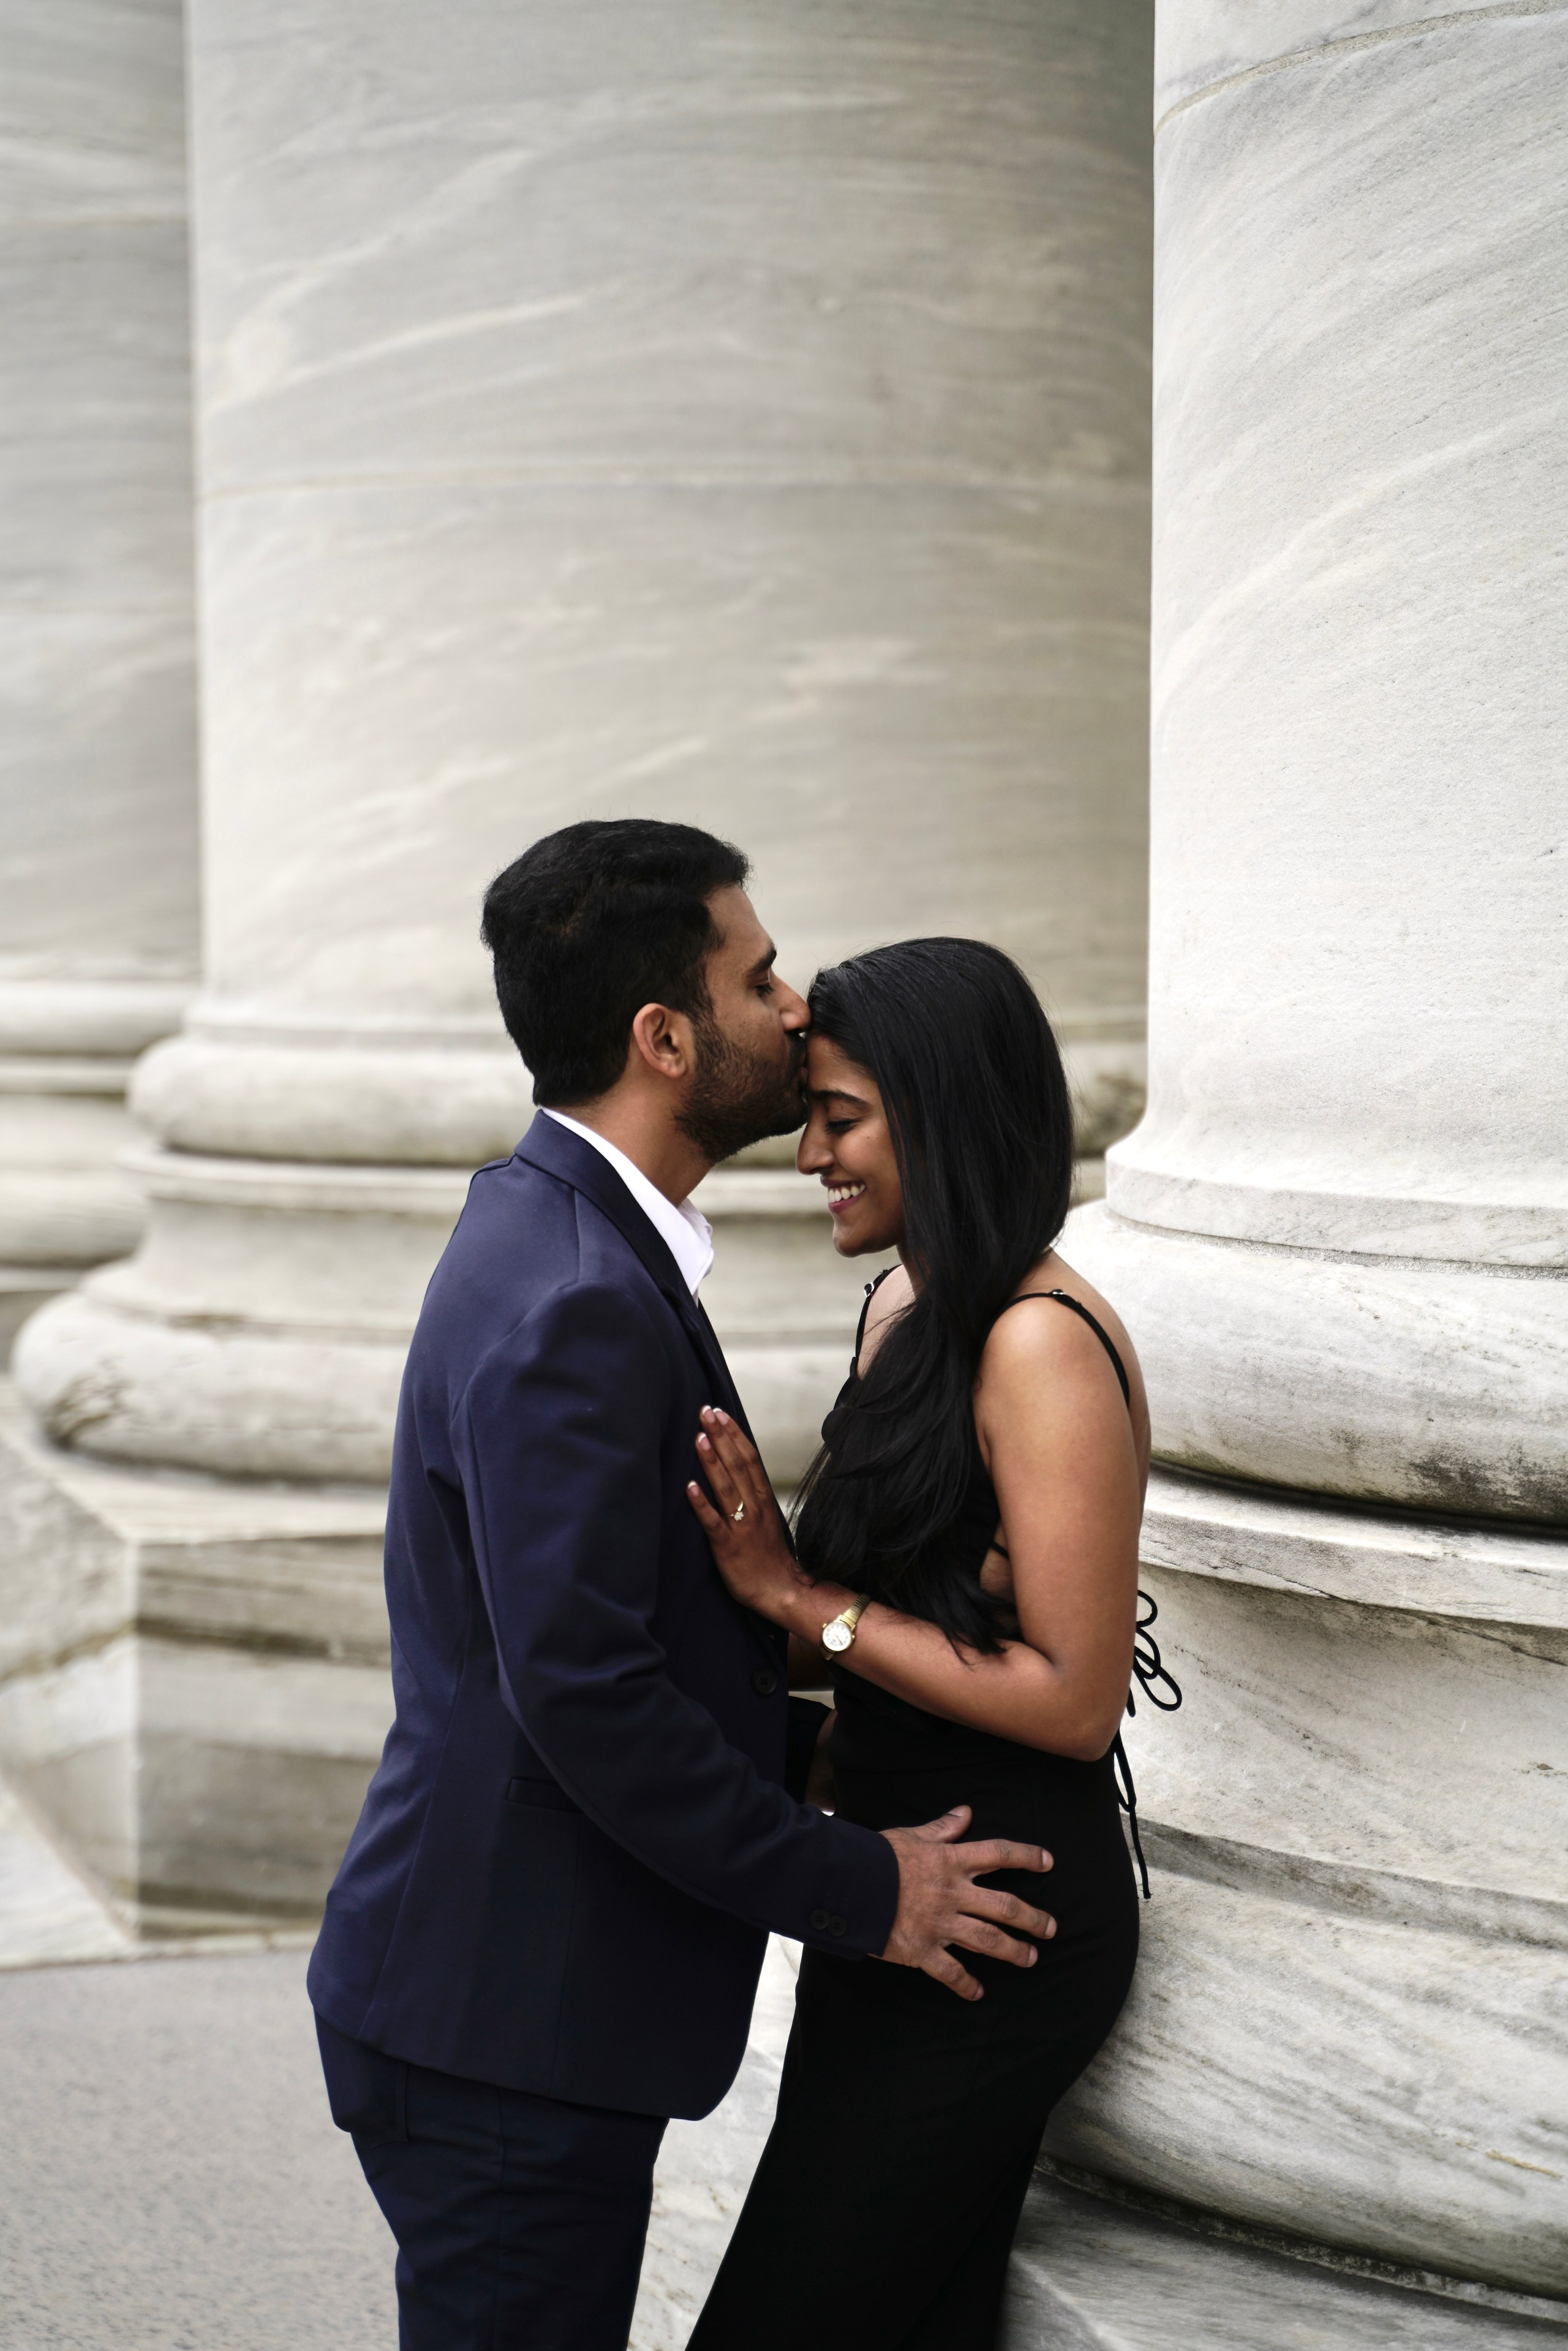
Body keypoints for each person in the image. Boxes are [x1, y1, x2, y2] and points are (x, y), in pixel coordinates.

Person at [306, 825, 1056, 2351]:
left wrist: (831, 1753)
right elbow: (584, 1694)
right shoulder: (578, 1295)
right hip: (507, 2028)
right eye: (757, 971)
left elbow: (610, 1646)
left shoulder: (563, 1237)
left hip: (505, 2002)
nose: (792, 1005)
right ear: (663, 1036)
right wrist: (867, 1891)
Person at [684, 936, 1153, 2350]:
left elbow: (1074, 1701)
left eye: (843, 1117)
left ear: (941, 1113)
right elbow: (907, 1611)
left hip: (1002, 1920)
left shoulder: (1042, 1342)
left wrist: (796, 1601)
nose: (810, 1152)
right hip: (887, 1891)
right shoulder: (902, 1301)